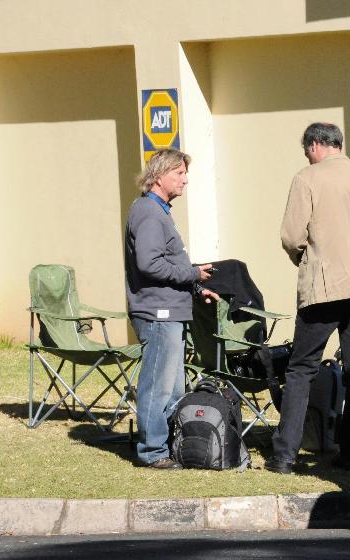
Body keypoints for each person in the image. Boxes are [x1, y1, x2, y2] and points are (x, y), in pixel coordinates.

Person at [268, 122, 350, 473]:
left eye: (307, 150)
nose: (307, 156)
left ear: (315, 145)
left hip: (323, 287)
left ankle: (285, 455)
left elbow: (291, 236)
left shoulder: (308, 177)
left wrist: (302, 257)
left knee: (301, 369)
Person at [124, 148, 218, 469]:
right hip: (158, 314)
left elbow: (166, 261)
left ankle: (171, 447)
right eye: (179, 173)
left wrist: (196, 287)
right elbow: (149, 264)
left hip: (171, 311)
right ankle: (152, 451)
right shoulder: (149, 212)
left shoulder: (160, 210)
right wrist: (192, 273)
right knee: (158, 386)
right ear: (159, 175)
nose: (185, 179)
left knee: (175, 387)